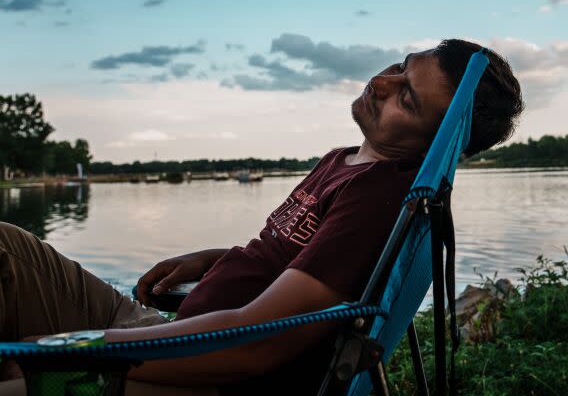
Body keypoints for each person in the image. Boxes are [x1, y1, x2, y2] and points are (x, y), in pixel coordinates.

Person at [0, 39, 523, 395]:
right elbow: (294, 261)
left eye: (405, 98)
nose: (381, 84)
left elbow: (255, 344)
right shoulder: (344, 161)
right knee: (8, 247)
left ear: (434, 145)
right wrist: (211, 261)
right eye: (399, 68)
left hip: (205, 373)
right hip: (179, 330)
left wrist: (78, 350)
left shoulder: (379, 196)